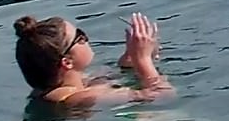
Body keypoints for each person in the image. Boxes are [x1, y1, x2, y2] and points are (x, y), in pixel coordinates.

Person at [13, 12, 172, 107]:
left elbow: (111, 78)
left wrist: (131, 58)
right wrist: (144, 61)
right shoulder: (79, 98)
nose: (86, 39)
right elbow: (164, 96)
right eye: (80, 37)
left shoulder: (70, 85)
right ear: (67, 62)